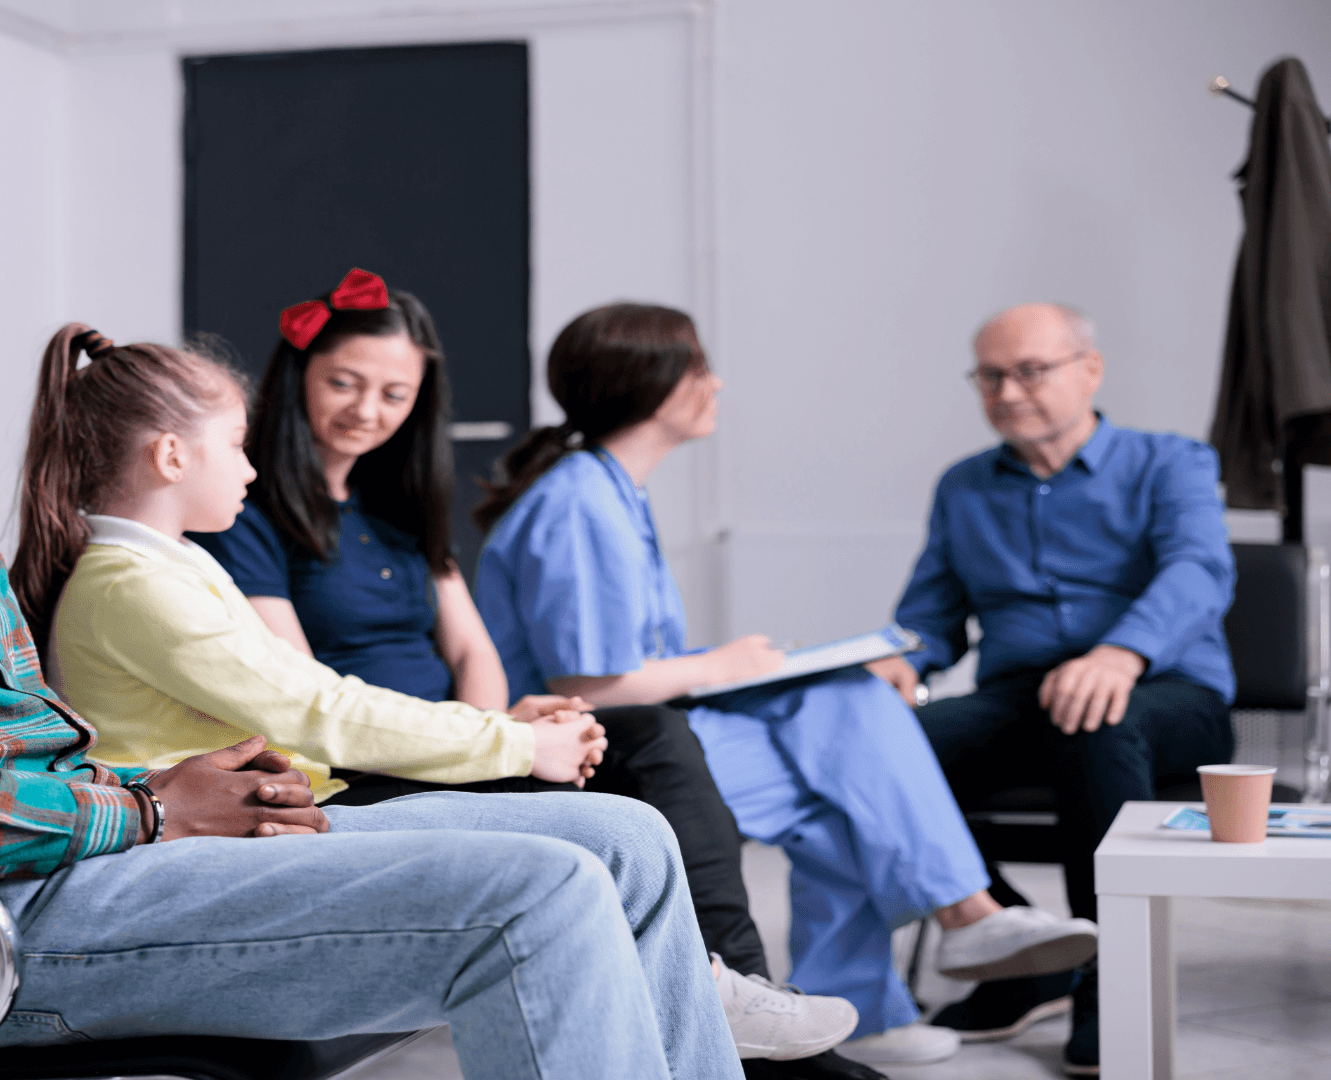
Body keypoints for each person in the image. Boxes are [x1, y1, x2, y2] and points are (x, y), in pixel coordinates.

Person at [0, 153, 744, 1080]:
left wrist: (193, 791)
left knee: (625, 839)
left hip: (79, 877)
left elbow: (26, 741)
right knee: (533, 895)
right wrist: (141, 811)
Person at [192, 269, 871, 1078]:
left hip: (451, 740)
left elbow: (473, 650)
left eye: (394, 393)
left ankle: (737, 986)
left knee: (650, 731)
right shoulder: (250, 511)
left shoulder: (400, 506)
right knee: (614, 778)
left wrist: (495, 730)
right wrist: (487, 742)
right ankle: (741, 1010)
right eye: (344, 382)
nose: (367, 410)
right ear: (298, 373)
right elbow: (307, 693)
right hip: (362, 762)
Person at [472, 302, 1102, 1069]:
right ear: (652, 384)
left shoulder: (610, 490)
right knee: (844, 751)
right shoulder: (578, 503)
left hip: (639, 729)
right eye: (701, 368)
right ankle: (961, 921)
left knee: (844, 744)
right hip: (591, 749)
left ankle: (886, 991)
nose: (718, 383)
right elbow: (591, 682)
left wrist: (740, 664)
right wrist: (727, 665)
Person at [867, 302, 1236, 1077]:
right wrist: (902, 661)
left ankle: (1112, 982)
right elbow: (931, 615)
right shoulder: (964, 486)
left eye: (1030, 370)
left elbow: (1199, 572)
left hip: (1166, 691)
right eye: (990, 375)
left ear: (1088, 370)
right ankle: (1026, 953)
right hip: (1020, 696)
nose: (1007, 391)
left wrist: (1120, 653)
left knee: (1094, 721)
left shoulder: (1172, 461)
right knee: (876, 748)